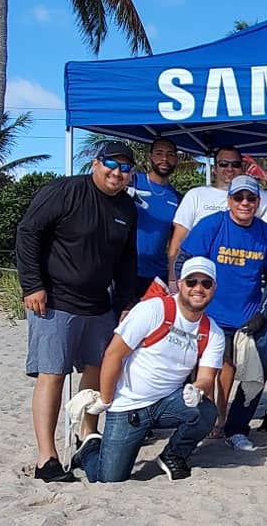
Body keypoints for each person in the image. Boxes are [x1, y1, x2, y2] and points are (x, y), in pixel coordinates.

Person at [16, 140, 138, 482]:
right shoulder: (65, 191)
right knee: (52, 376)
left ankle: (86, 438)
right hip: (54, 300)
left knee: (97, 373)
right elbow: (28, 232)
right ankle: (46, 458)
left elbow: (127, 260)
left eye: (125, 168)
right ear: (96, 164)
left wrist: (127, 302)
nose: (117, 173)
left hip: (99, 305)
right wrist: (31, 285)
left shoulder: (128, 209)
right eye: (111, 165)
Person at [70, 257, 223, 482]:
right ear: (180, 284)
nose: (198, 289)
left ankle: (173, 455)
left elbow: (207, 377)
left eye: (206, 283)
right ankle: (90, 448)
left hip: (168, 402)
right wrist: (106, 396)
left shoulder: (213, 332)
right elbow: (114, 353)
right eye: (192, 282)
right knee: (108, 478)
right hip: (128, 406)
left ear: (214, 288)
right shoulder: (153, 310)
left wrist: (197, 390)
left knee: (207, 411)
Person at [175, 175, 267, 453]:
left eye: (251, 198)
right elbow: (184, 263)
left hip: (249, 317)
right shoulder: (211, 225)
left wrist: (263, 312)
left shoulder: (266, 233)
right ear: (229, 200)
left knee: (256, 370)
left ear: (258, 202)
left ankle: (237, 428)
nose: (245, 203)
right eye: (239, 197)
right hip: (211, 317)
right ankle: (206, 424)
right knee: (206, 375)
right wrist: (191, 302)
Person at [166, 145, 267, 284]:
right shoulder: (196, 194)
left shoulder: (254, 195)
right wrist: (173, 280)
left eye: (235, 164)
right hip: (202, 280)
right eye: (223, 164)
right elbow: (178, 241)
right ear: (215, 168)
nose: (229, 168)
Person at [131, 137, 181, 301]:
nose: (164, 159)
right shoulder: (132, 182)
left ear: (176, 159)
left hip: (157, 276)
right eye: (159, 153)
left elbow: (176, 242)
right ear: (149, 156)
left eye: (170, 154)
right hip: (124, 273)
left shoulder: (177, 198)